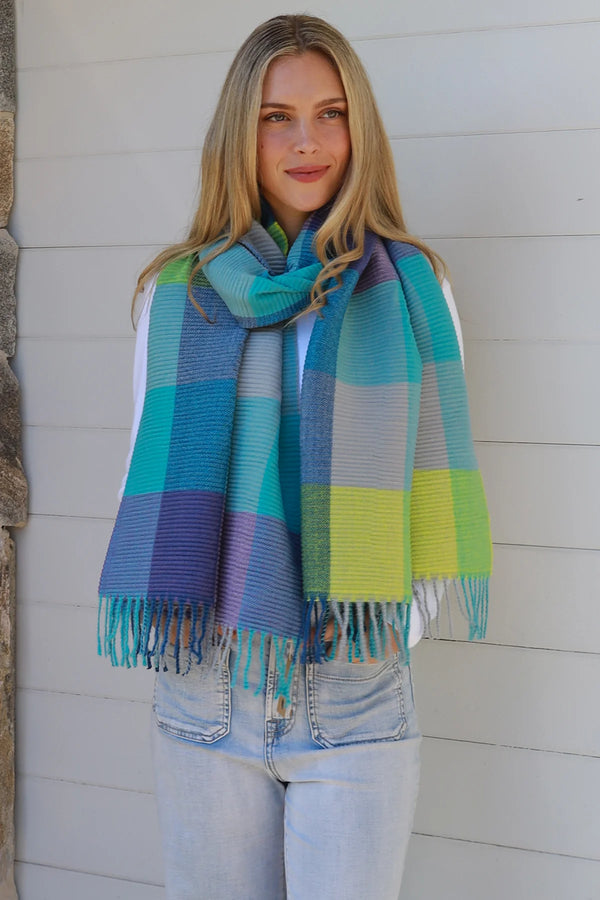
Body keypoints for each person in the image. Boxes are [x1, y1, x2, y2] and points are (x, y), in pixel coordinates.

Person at [98, 14, 492, 899]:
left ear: (359, 129)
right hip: (208, 691)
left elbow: (435, 475)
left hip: (353, 695)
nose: (306, 142)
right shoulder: (179, 293)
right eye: (277, 117)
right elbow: (143, 480)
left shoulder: (414, 288)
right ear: (241, 135)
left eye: (330, 113)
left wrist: (379, 635)